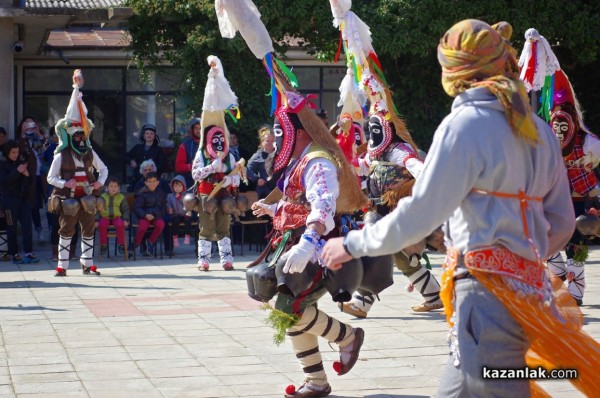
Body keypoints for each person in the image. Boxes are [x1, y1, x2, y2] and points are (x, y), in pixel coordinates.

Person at [322, 20, 600, 397]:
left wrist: (353, 244)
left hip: (484, 294)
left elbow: (422, 211)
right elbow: (562, 223)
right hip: (530, 290)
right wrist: (519, 254)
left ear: (453, 71)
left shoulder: (465, 124)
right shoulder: (538, 129)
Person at [545, 69, 600, 306]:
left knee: (577, 246)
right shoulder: (547, 142)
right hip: (558, 199)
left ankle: (575, 294)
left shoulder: (589, 143)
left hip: (583, 198)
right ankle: (558, 275)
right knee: (545, 237)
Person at [47, 69, 108, 277]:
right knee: (66, 231)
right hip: (69, 199)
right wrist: (66, 184)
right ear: (70, 137)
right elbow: (50, 178)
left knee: (89, 230)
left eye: (83, 136)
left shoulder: (90, 152)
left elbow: (104, 169)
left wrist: (99, 182)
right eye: (78, 137)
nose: (82, 139)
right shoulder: (60, 156)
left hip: (88, 197)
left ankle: (87, 264)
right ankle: (62, 267)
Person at [191, 55, 241, 272]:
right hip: (207, 193)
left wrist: (231, 177)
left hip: (224, 193)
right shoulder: (202, 153)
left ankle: (226, 259)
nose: (220, 141)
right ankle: (203, 259)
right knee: (207, 226)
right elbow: (195, 174)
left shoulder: (229, 154)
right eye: (216, 138)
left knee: (224, 224)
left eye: (222, 137)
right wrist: (212, 167)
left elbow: (238, 175)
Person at [0, 139, 39, 264]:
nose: (15, 155)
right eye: (13, 152)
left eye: (17, 152)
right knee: (11, 227)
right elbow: (4, 182)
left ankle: (28, 252)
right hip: (9, 201)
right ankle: (14, 253)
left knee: (27, 226)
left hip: (23, 200)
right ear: (7, 153)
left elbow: (30, 181)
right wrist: (17, 172)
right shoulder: (2, 164)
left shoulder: (20, 162)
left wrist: (27, 174)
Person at [18, 116, 46, 242]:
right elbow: (19, 152)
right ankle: (38, 230)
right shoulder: (21, 140)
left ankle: (51, 229)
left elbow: (47, 149)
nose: (30, 127)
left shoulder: (38, 138)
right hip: (31, 178)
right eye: (26, 124)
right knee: (33, 204)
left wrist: (38, 133)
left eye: (32, 124)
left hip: (44, 176)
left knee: (49, 203)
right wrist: (23, 134)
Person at [131, 172, 166, 257]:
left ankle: (150, 242)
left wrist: (155, 215)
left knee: (161, 224)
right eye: (149, 181)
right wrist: (145, 215)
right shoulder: (141, 193)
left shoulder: (161, 193)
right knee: (143, 226)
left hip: (156, 216)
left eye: (154, 181)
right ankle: (135, 244)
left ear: (158, 182)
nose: (152, 183)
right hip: (144, 216)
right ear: (146, 182)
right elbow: (137, 208)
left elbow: (163, 207)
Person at [98, 177, 129, 257]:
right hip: (105, 216)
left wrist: (126, 219)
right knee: (102, 224)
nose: (113, 188)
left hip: (116, 217)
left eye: (115, 186)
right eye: (111, 186)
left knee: (120, 224)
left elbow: (125, 209)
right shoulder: (102, 197)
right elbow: (98, 209)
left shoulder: (121, 197)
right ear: (106, 188)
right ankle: (104, 244)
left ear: (118, 187)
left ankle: (121, 244)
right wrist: (96, 220)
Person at [246, 126, 276, 199]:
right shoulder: (257, 156)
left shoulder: (279, 154)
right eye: (267, 141)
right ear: (262, 142)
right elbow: (247, 169)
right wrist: (257, 179)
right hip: (264, 191)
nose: (270, 143)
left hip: (277, 189)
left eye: (272, 141)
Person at [175, 117, 201, 188]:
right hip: (189, 182)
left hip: (206, 182)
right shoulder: (184, 146)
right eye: (196, 128)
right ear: (192, 129)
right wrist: (192, 166)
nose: (199, 130)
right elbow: (178, 167)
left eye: (201, 128)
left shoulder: (209, 145)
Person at [167, 175, 192, 247]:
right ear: (172, 187)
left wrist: (180, 197)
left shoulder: (186, 195)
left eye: (179, 186)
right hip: (176, 214)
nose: (177, 188)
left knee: (188, 220)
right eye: (175, 186)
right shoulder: (170, 196)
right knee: (175, 222)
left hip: (185, 214)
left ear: (183, 187)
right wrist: (169, 209)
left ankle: (187, 236)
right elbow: (168, 203)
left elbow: (187, 203)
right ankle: (175, 238)